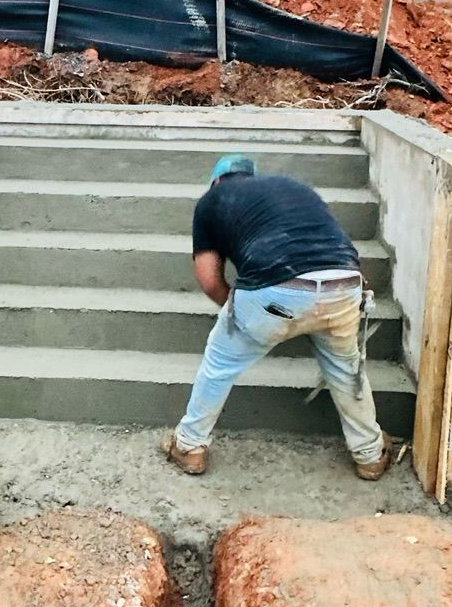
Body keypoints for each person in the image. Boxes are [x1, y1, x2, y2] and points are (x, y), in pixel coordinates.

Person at [162, 153, 394, 480]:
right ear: (253, 177)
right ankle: (370, 455)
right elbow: (328, 241)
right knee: (346, 367)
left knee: (220, 363)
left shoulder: (212, 200)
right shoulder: (294, 188)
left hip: (275, 287)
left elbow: (209, 280)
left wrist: (245, 314)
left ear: (216, 180)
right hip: (344, 284)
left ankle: (189, 446)